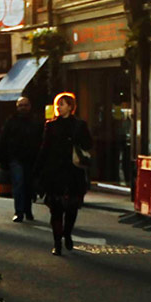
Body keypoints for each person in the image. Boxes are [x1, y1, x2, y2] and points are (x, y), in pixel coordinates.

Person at [34, 91, 92, 255]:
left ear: (71, 107)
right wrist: (37, 171)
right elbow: (44, 148)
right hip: (54, 172)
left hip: (73, 171)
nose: (58, 107)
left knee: (72, 208)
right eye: (57, 104)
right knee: (56, 209)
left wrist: (77, 140)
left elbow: (88, 144)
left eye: (62, 104)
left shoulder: (80, 125)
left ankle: (67, 233)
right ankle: (57, 242)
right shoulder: (50, 125)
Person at [0, 96, 43, 222]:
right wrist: (2, 159)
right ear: (17, 107)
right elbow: (4, 140)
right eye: (20, 105)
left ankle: (27, 210)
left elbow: (41, 140)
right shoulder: (11, 121)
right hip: (15, 158)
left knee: (28, 185)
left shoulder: (35, 121)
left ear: (30, 106)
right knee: (18, 184)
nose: (23, 108)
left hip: (31, 158)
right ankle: (19, 211)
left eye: (25, 105)